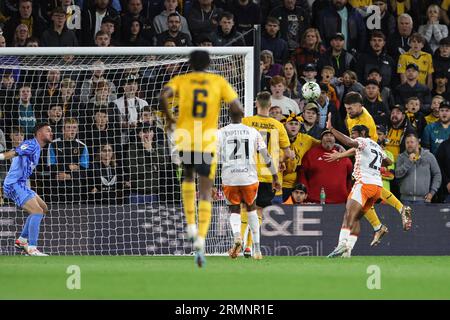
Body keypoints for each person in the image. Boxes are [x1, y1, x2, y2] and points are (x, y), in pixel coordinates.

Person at [160, 50, 243, 267]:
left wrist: (170, 119)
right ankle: (202, 239)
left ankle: (190, 225)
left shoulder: (182, 80)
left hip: (186, 138)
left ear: (189, 63)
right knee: (205, 189)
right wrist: (234, 119)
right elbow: (237, 108)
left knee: (187, 178)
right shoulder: (218, 81)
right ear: (208, 63)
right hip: (207, 140)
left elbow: (163, 95)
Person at [218, 109, 280, 260]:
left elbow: (212, 156)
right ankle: (257, 249)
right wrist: (275, 176)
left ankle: (237, 235)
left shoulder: (220, 132)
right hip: (249, 177)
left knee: (234, 209)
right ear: (243, 118)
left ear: (228, 118)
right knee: (252, 209)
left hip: (230, 177)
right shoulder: (253, 132)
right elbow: (266, 156)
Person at [326, 121, 391, 258]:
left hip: (363, 184)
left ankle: (341, 244)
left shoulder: (362, 140)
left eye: (354, 134)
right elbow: (388, 162)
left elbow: (350, 143)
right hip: (377, 188)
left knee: (348, 215)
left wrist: (332, 129)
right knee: (355, 218)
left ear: (362, 134)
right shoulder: (377, 147)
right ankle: (348, 251)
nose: (353, 137)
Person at [240, 92, 294, 257]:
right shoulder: (277, 125)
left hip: (247, 172)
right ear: (270, 106)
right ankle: (253, 245)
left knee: (244, 207)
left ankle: (243, 243)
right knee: (259, 210)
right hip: (268, 175)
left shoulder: (246, 122)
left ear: (256, 104)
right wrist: (281, 159)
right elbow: (289, 153)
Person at [1, 123, 53, 256]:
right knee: (37, 211)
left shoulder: (38, 148)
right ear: (39, 133)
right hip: (14, 184)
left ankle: (22, 240)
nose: (51, 133)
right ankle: (32, 248)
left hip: (22, 184)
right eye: (48, 131)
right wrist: (1, 156)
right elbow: (14, 152)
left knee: (43, 208)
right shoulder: (30, 144)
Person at [300, 129, 353, 204]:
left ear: (335, 140)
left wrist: (348, 196)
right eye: (326, 135)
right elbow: (303, 175)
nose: (329, 137)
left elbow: (349, 178)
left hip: (340, 201)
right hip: (315, 200)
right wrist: (305, 194)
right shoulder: (311, 154)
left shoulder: (342, 155)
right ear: (321, 139)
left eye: (331, 135)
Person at [396, 133, 442, 204]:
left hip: (423, 200)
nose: (409, 144)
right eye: (407, 142)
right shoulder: (401, 157)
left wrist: (432, 192)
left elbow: (437, 174)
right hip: (405, 200)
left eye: (412, 142)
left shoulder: (429, 156)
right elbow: (397, 174)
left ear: (418, 142)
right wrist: (408, 162)